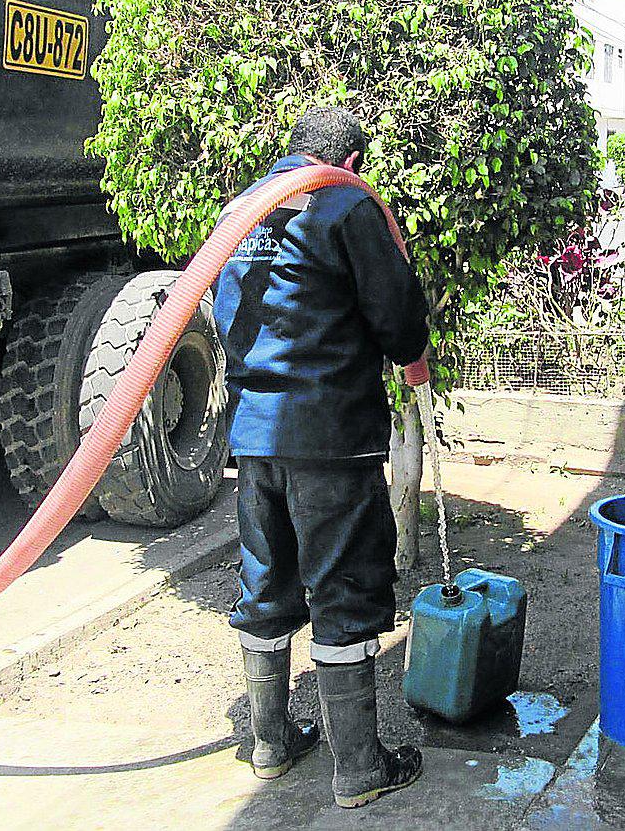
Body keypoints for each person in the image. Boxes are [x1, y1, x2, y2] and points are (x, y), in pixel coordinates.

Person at [213, 107, 430, 806]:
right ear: (353, 158)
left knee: (266, 587)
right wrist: (406, 353)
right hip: (331, 439)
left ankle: (271, 742)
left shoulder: (242, 210)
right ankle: (360, 768)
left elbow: (221, 314)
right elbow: (397, 318)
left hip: (255, 440)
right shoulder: (347, 205)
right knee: (344, 592)